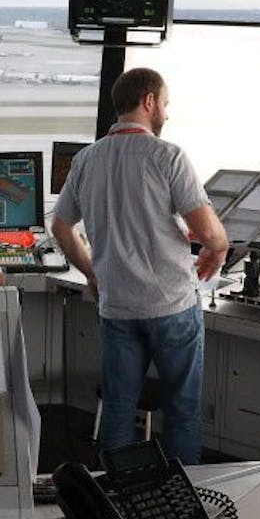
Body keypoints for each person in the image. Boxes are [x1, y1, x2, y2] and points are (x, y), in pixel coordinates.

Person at [50, 67, 228, 465]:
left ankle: (115, 499)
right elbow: (210, 234)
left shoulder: (86, 159)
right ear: (149, 101)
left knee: (117, 409)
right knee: (181, 411)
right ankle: (185, 499)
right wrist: (216, 252)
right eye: (164, 103)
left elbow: (61, 227)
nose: (166, 112)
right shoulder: (168, 156)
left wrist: (92, 272)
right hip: (171, 306)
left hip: (117, 306)